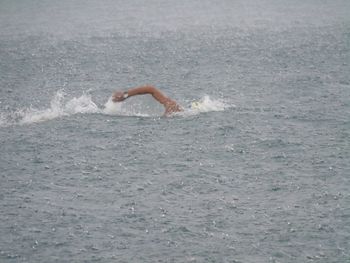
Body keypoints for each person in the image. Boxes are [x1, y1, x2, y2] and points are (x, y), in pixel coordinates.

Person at [112, 85, 183, 116]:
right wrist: (125, 95)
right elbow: (150, 89)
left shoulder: (171, 105)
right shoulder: (169, 104)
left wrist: (125, 95)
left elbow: (150, 89)